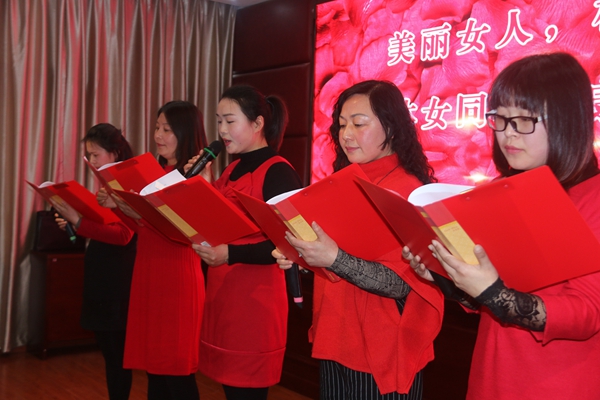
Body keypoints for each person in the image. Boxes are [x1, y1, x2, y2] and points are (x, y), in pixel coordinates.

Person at [403, 52, 600, 399]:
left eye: (523, 120)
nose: (508, 134)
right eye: (501, 119)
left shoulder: (592, 197)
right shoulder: (501, 189)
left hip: (557, 385)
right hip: (492, 374)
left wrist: (493, 292)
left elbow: (588, 312)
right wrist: (443, 272)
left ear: (567, 120)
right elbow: (483, 296)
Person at [272, 80, 444, 399]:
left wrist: (333, 258)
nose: (346, 134)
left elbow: (398, 283)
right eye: (341, 125)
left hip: (381, 348)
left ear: (391, 127)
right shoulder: (343, 183)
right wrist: (304, 255)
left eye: (359, 123)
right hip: (335, 335)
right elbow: (336, 256)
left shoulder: (408, 192)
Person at [189, 85, 302, 400]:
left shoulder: (278, 172)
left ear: (258, 123)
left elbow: (290, 243)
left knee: (247, 392)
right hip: (224, 296)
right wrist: (201, 186)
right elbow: (217, 222)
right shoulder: (232, 168)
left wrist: (229, 253)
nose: (222, 130)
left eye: (230, 121)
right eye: (219, 121)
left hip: (255, 303)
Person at [103, 101, 207, 400]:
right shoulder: (156, 172)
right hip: (149, 273)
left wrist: (137, 212)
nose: (158, 135)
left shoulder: (194, 177)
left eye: (167, 129)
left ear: (185, 133)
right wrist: (121, 206)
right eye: (157, 127)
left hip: (177, 277)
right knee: (155, 369)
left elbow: (186, 233)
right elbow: (143, 229)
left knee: (176, 371)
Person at [52, 123, 136, 400]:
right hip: (102, 274)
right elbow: (105, 225)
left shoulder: (126, 183)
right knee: (110, 354)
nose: (92, 161)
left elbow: (123, 235)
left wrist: (79, 221)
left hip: (117, 279)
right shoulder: (108, 182)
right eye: (89, 155)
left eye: (96, 154)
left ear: (115, 153)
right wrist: (76, 221)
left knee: (116, 356)